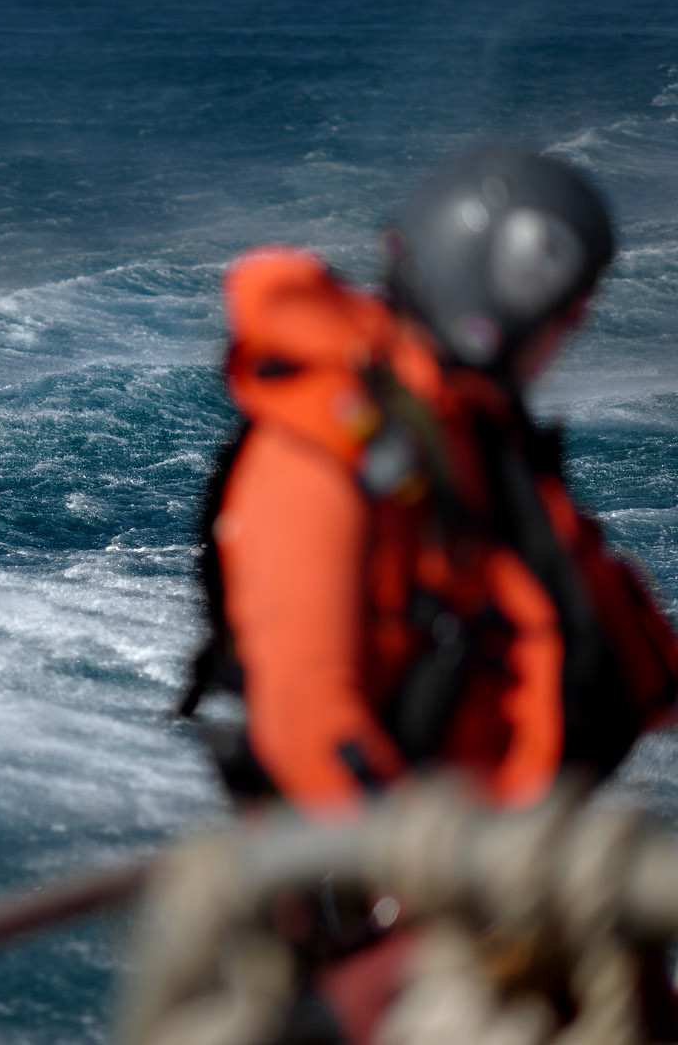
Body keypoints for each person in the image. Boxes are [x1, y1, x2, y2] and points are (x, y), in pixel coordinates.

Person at [177, 143, 678, 1044]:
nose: (580, 325)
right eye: (569, 307)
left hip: (513, 880)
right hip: (384, 917)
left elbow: (624, 648)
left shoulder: (482, 448)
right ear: (507, 295)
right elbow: (310, 721)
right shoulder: (316, 462)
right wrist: (444, 885)